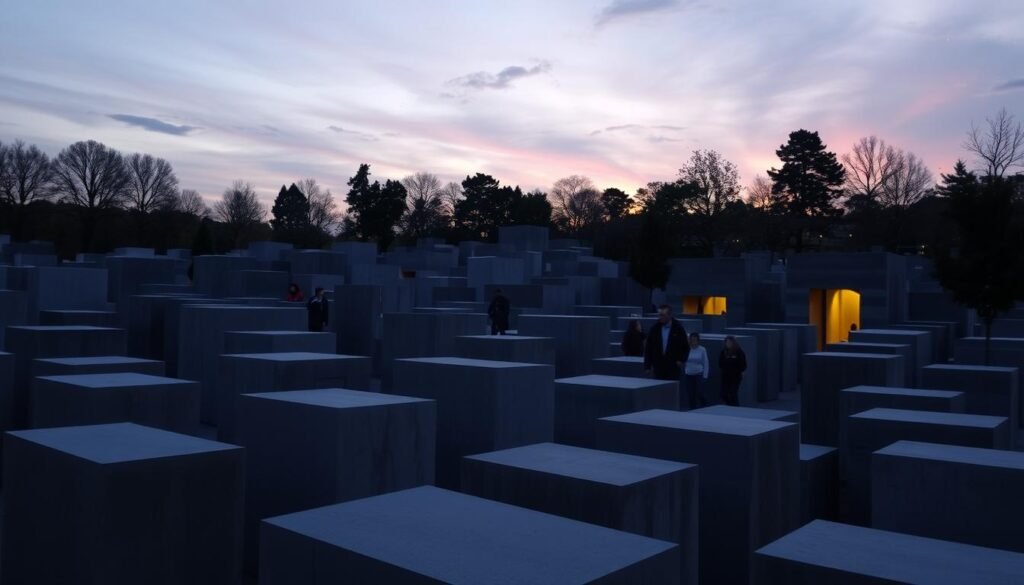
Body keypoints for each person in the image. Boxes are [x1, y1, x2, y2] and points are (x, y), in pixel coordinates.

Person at [643, 305, 688, 381]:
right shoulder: (655, 329)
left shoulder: (678, 328)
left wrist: (681, 360)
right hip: (659, 366)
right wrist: (647, 366)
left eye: (662, 315)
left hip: (673, 367)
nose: (660, 317)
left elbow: (685, 346)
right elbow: (648, 348)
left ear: (669, 315)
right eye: (659, 315)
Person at [683, 332, 709, 409]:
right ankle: (692, 410)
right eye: (692, 339)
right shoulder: (687, 349)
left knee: (699, 393)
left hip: (699, 374)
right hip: (688, 375)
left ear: (698, 340)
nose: (693, 341)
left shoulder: (702, 349)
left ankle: (704, 407)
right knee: (691, 395)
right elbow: (683, 360)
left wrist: (705, 375)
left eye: (695, 339)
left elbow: (706, 362)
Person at [718, 335, 747, 406]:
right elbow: (720, 363)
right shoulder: (723, 352)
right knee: (723, 394)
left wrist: (740, 371)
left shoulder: (739, 352)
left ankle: (737, 409)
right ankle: (730, 406)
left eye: (730, 342)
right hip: (725, 377)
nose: (728, 344)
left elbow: (744, 365)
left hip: (735, 377)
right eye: (727, 342)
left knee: (733, 394)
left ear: (734, 343)